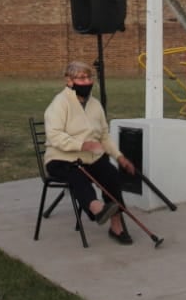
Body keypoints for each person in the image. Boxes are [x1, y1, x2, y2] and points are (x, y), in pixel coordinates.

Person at [42, 61, 136, 245]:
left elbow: (104, 136)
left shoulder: (95, 105)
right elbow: (54, 136)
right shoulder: (59, 103)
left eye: (89, 77)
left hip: (91, 157)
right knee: (78, 176)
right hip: (61, 158)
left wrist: (119, 156)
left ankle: (116, 225)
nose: (86, 82)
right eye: (81, 78)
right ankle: (98, 209)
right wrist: (81, 145)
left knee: (111, 175)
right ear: (69, 81)